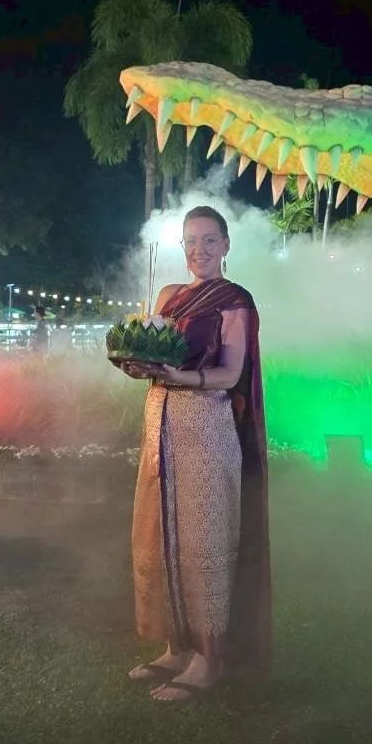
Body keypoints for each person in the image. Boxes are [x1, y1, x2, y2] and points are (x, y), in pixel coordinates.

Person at [120, 205, 270, 705]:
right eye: (190, 242)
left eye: (209, 241)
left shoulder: (234, 300)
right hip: (160, 420)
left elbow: (230, 374)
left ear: (226, 246)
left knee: (203, 539)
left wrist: (179, 377)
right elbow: (152, 346)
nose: (198, 251)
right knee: (159, 533)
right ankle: (173, 645)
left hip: (206, 424)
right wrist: (135, 361)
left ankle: (209, 659)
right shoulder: (168, 296)